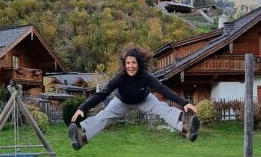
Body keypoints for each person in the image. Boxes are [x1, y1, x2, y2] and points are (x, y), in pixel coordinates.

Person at [68, 46, 199, 150]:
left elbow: (162, 88)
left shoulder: (145, 76)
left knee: (162, 108)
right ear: (124, 65)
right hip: (122, 101)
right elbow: (102, 93)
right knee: (104, 116)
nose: (131, 66)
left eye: (133, 63)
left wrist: (184, 102)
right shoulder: (120, 77)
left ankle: (186, 129)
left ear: (139, 64)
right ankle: (82, 140)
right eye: (128, 63)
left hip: (145, 100)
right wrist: (83, 108)